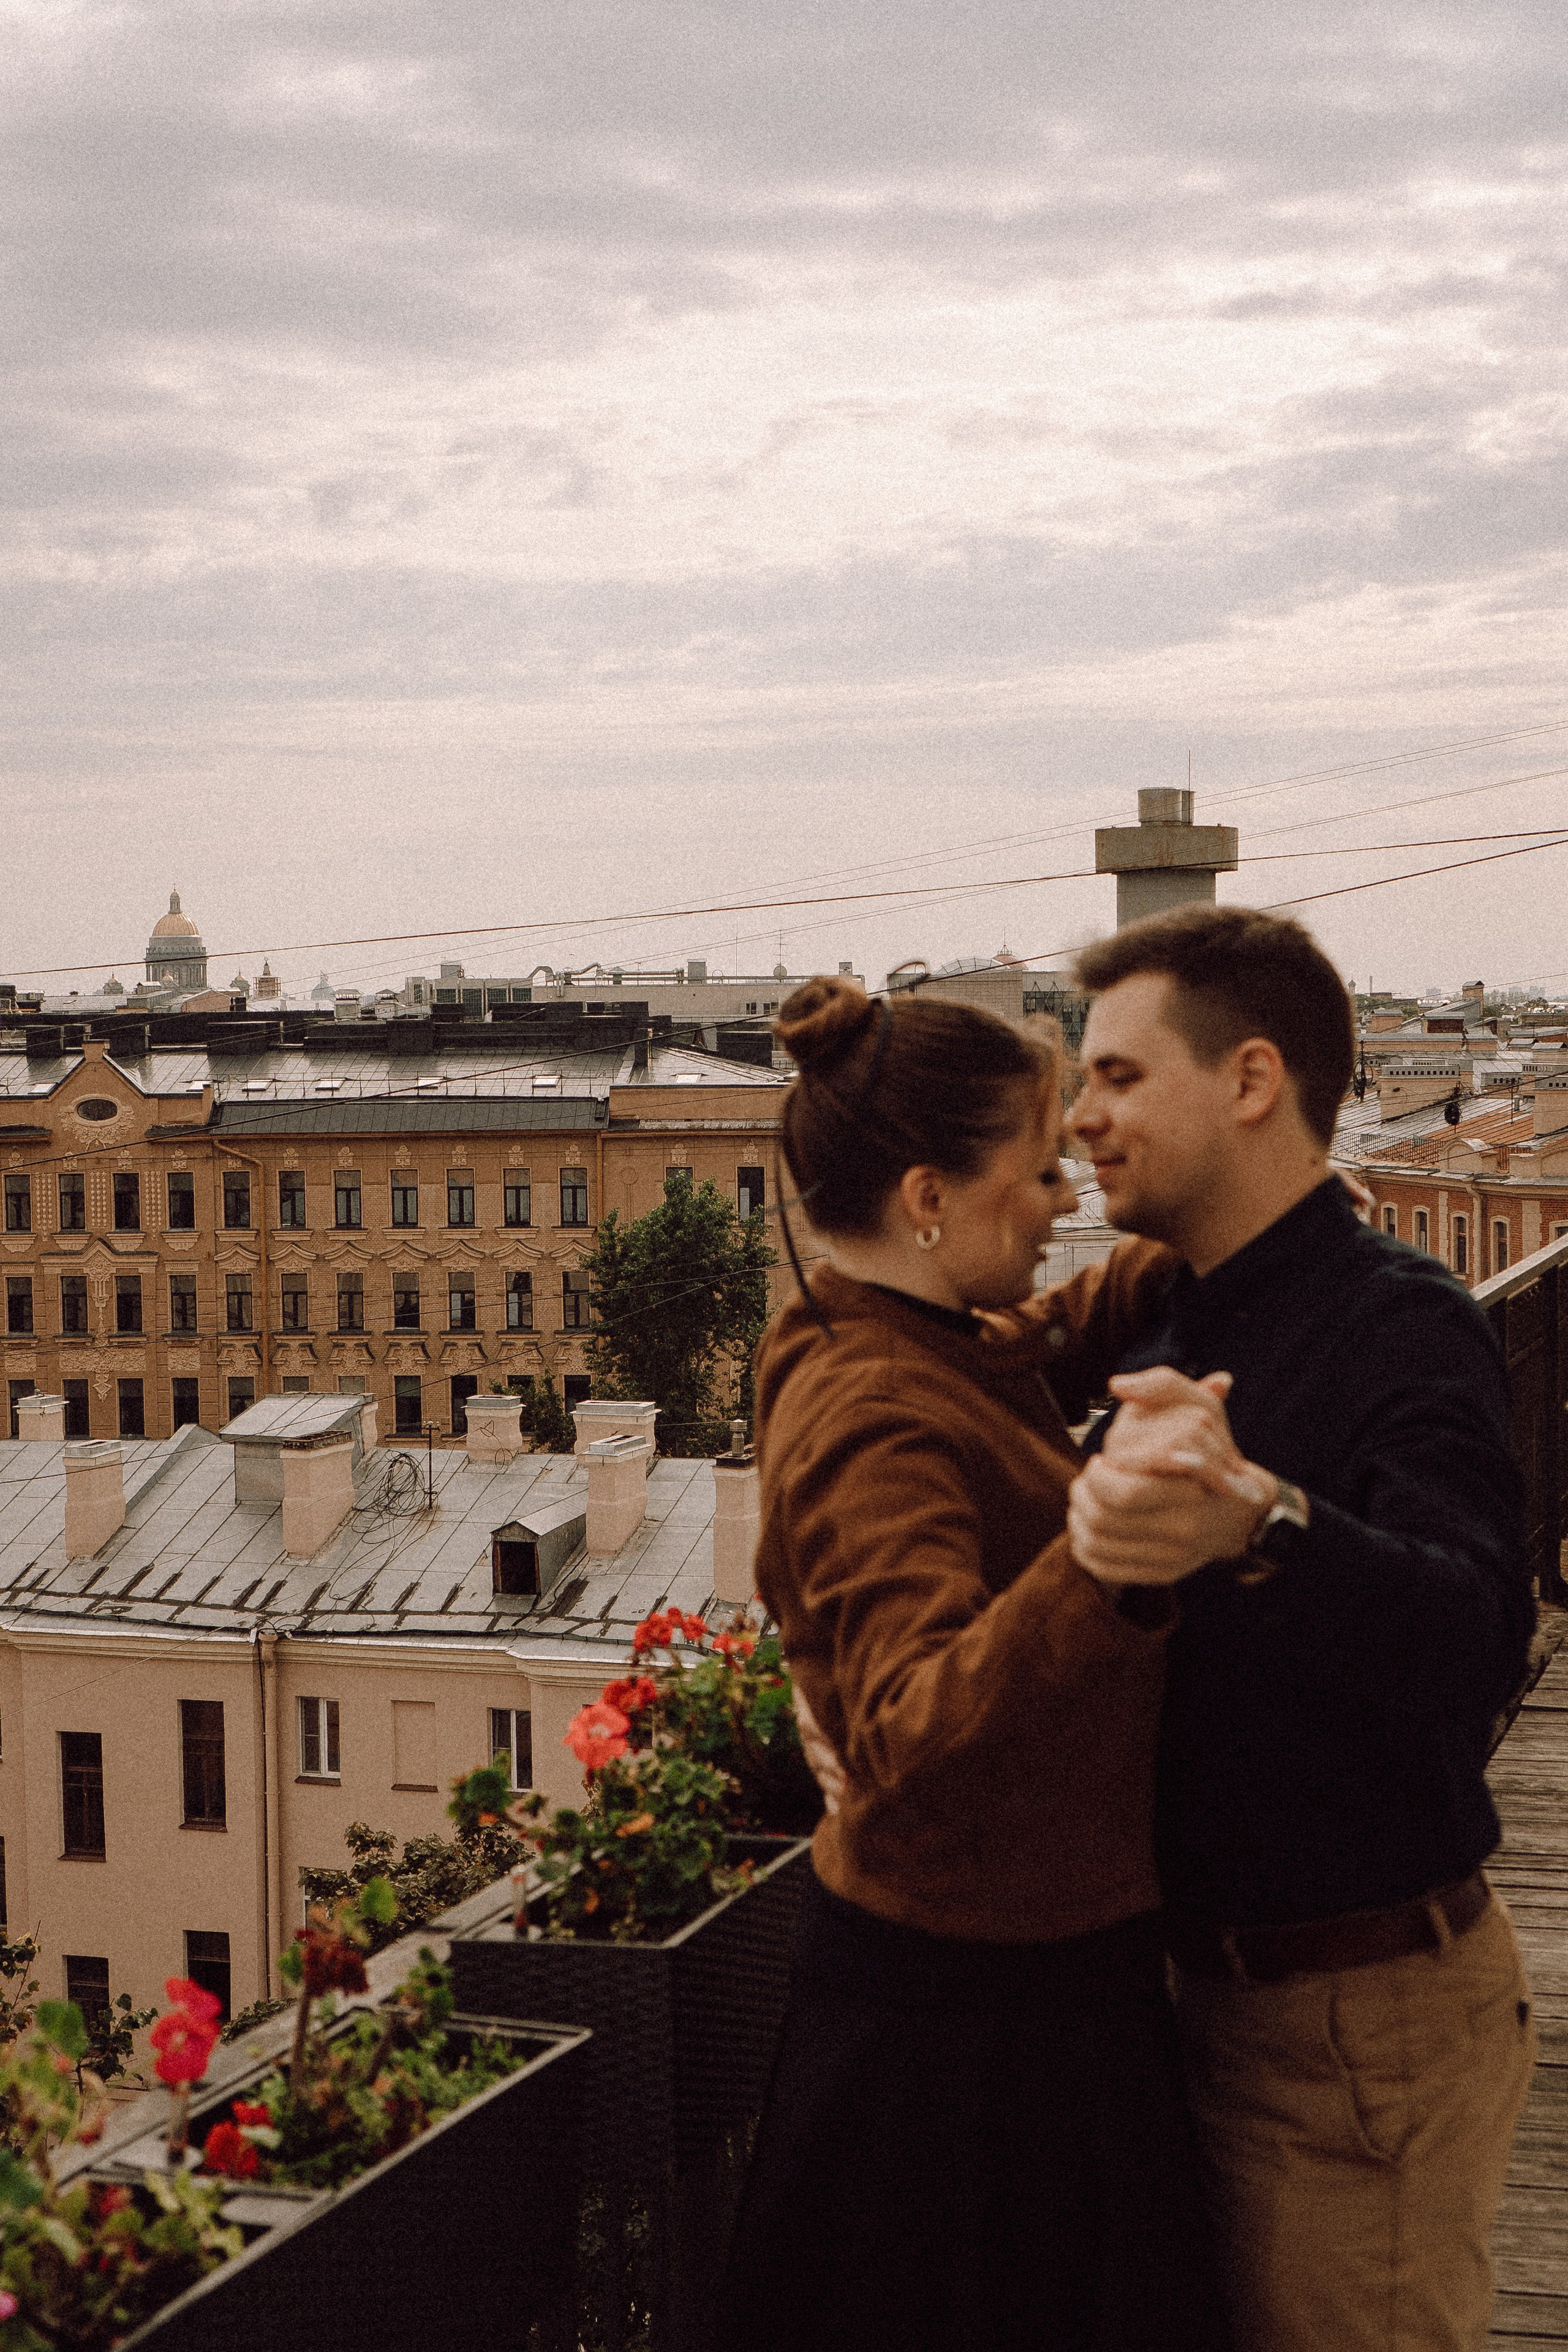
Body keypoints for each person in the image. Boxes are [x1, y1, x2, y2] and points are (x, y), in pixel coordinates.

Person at [714, 975, 1231, 2352]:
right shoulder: (872, 1414)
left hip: (978, 2008)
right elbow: (906, 1726)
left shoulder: (864, 1325)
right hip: (973, 2061)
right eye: (1037, 1167)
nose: (1061, 1196)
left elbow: (1022, 1348)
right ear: (928, 1195)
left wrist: (1203, 1248)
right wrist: (1105, 1555)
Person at [1057, 903, 1537, 2352]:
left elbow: (1478, 1633)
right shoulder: (1170, 1327)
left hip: (1353, 2027)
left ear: (1251, 1080)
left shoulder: (1396, 1319)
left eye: (1119, 1078)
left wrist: (1259, 1524)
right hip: (1210, 2003)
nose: (1078, 1119)